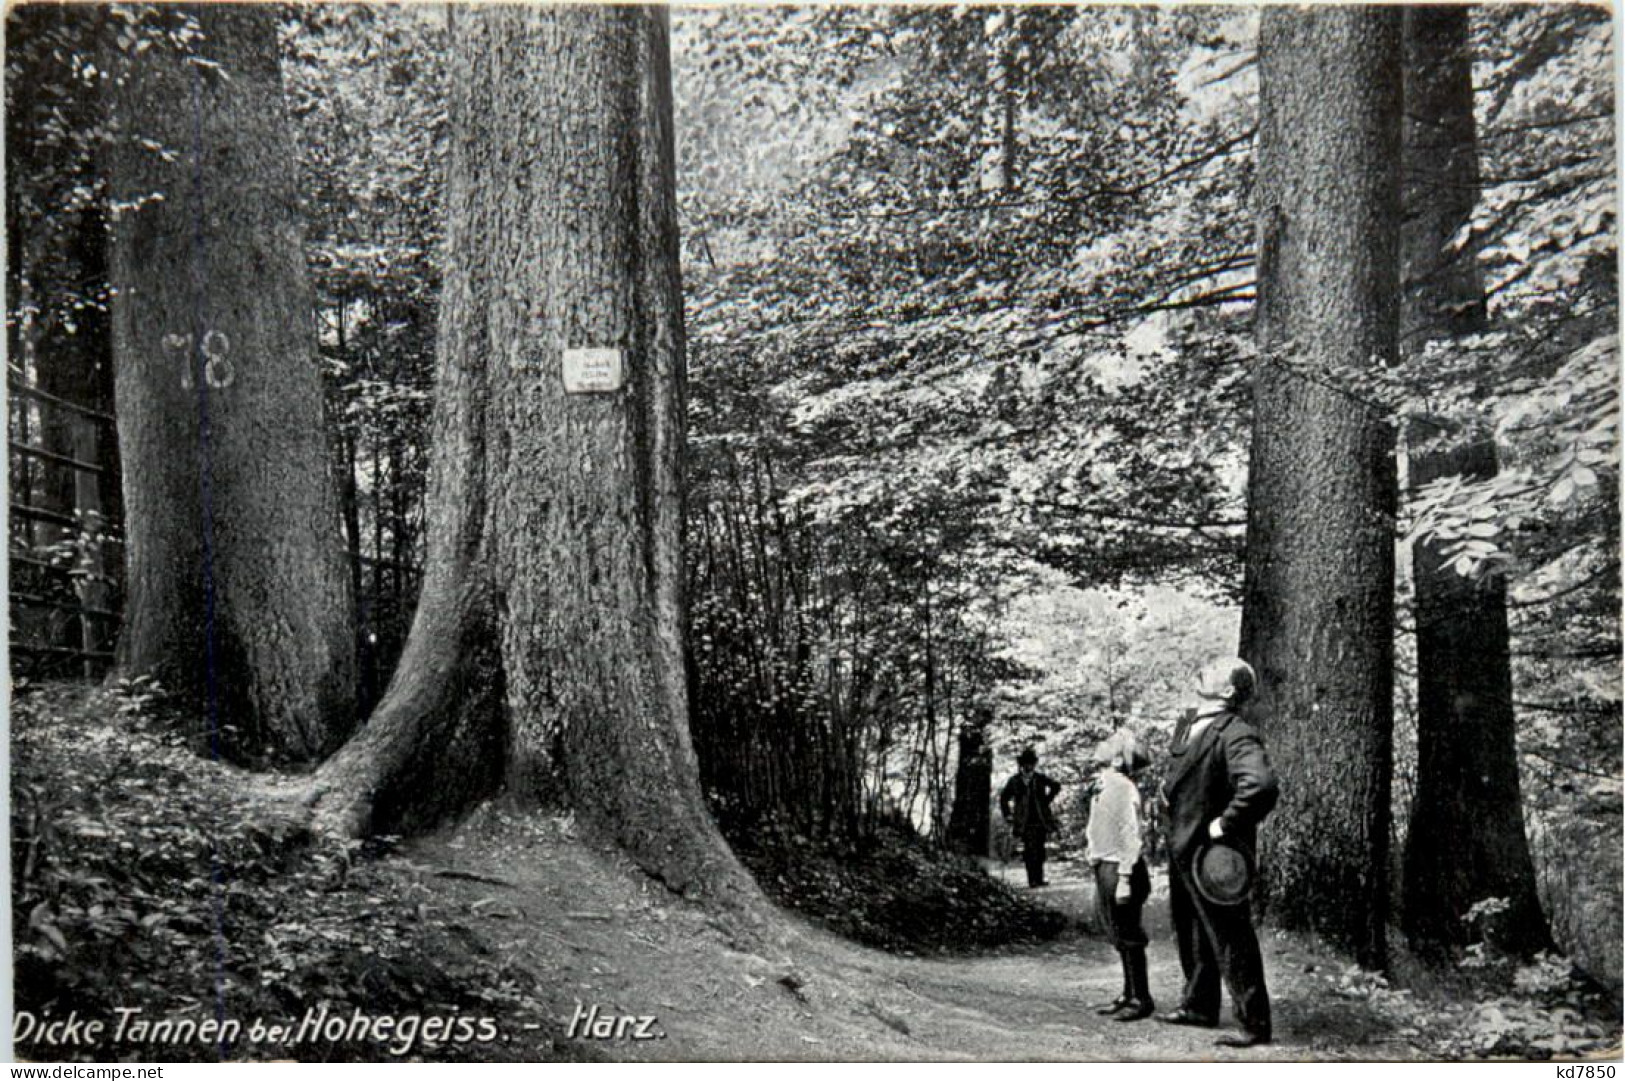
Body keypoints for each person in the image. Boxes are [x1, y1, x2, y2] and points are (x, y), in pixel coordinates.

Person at [1158, 657, 1279, 1048]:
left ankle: (1255, 1024)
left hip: (1215, 855)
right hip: (1182, 846)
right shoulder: (1188, 723)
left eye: (1214, 669)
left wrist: (1225, 823)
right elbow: (1186, 775)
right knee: (1190, 928)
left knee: (1230, 934)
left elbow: (1259, 786)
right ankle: (1198, 1006)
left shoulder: (1238, 732)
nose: (1203, 669)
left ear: (1228, 691)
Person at [1086, 729, 1154, 1022]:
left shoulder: (1123, 787)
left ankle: (1142, 997)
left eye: (1110, 744)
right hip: (1106, 865)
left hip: (1121, 868)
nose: (1102, 744)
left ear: (1116, 758)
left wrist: (1125, 876)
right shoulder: (1104, 784)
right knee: (1117, 933)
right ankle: (1128, 992)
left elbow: (1131, 833)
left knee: (1129, 933)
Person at [999, 747, 1061, 887]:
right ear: (1022, 764)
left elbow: (1056, 786)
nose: (1029, 766)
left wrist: (1046, 800)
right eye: (1026, 763)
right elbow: (1004, 798)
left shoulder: (1039, 778)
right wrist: (1008, 815)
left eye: (1031, 763)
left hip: (1040, 820)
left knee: (1039, 850)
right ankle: (1032, 879)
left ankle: (1039, 878)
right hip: (1023, 821)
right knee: (1029, 850)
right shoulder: (1014, 781)